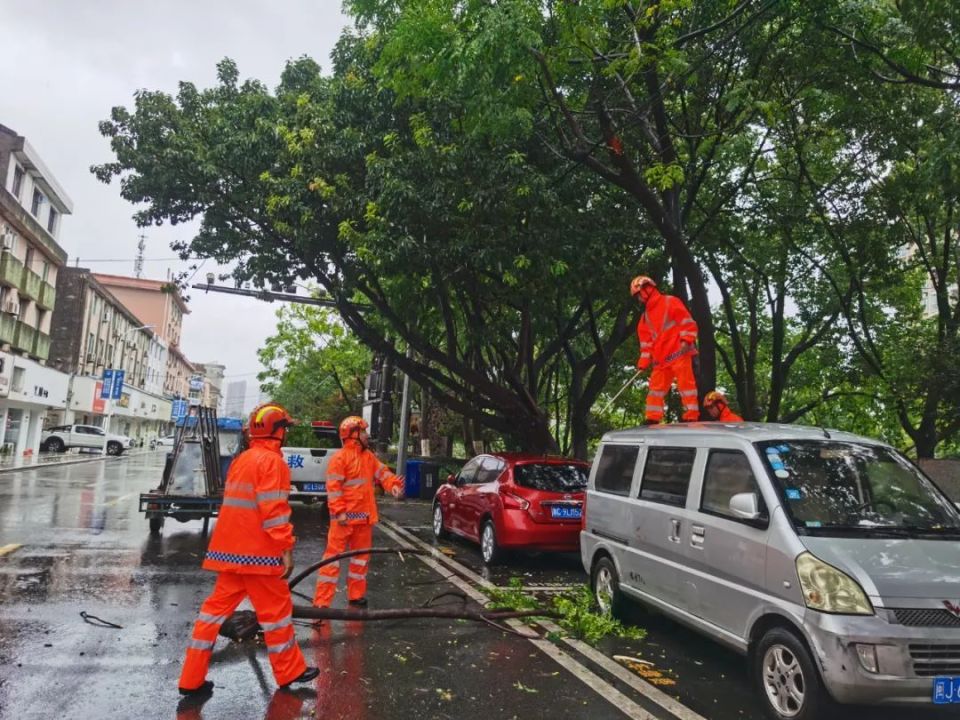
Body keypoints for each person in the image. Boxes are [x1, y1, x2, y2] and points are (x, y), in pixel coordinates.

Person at [178, 402, 318, 696]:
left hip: (229, 554)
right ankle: (290, 671)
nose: (286, 434)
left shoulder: (242, 460)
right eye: (285, 428)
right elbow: (274, 512)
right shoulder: (273, 463)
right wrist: (286, 547)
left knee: (212, 615)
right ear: (277, 432)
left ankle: (191, 679)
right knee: (276, 613)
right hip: (260, 556)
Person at [313, 416, 404, 609]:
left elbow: (383, 473)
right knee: (332, 561)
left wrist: (393, 485)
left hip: (363, 520)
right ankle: (322, 602)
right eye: (363, 432)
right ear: (353, 435)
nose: (366, 435)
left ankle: (356, 595)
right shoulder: (339, 459)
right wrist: (340, 512)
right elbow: (334, 488)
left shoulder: (367, 456)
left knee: (360, 560)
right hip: (343, 520)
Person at [631, 275, 700, 423]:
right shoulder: (645, 318)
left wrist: (686, 340)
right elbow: (646, 344)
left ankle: (691, 416)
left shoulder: (670, 302)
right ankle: (652, 418)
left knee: (685, 385)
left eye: (639, 295)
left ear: (647, 289)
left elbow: (687, 322)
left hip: (679, 353)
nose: (639, 299)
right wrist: (643, 362)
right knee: (655, 389)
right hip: (661, 360)